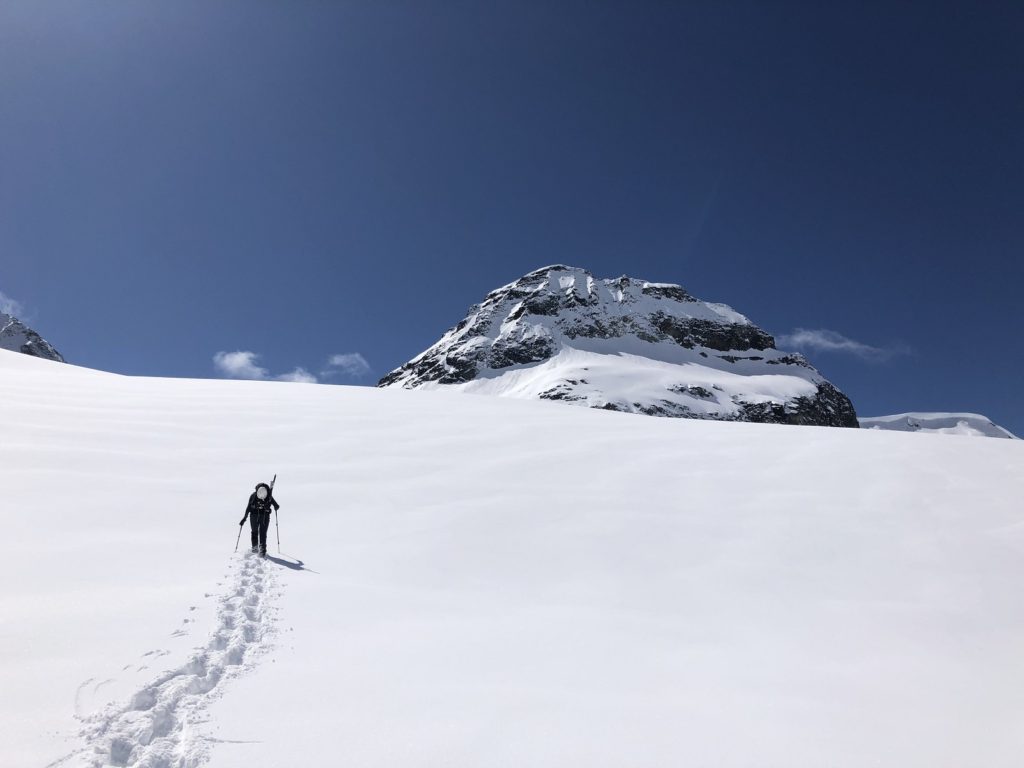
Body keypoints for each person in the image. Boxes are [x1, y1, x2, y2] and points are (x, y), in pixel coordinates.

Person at [239, 482, 280, 556]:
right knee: (255, 532)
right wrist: (244, 518)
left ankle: (262, 550)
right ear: (257, 492)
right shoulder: (253, 496)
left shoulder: (269, 496)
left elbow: (277, 506)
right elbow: (248, 507)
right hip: (254, 515)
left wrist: (271, 506)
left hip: (264, 516)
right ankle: (255, 548)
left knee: (262, 533)